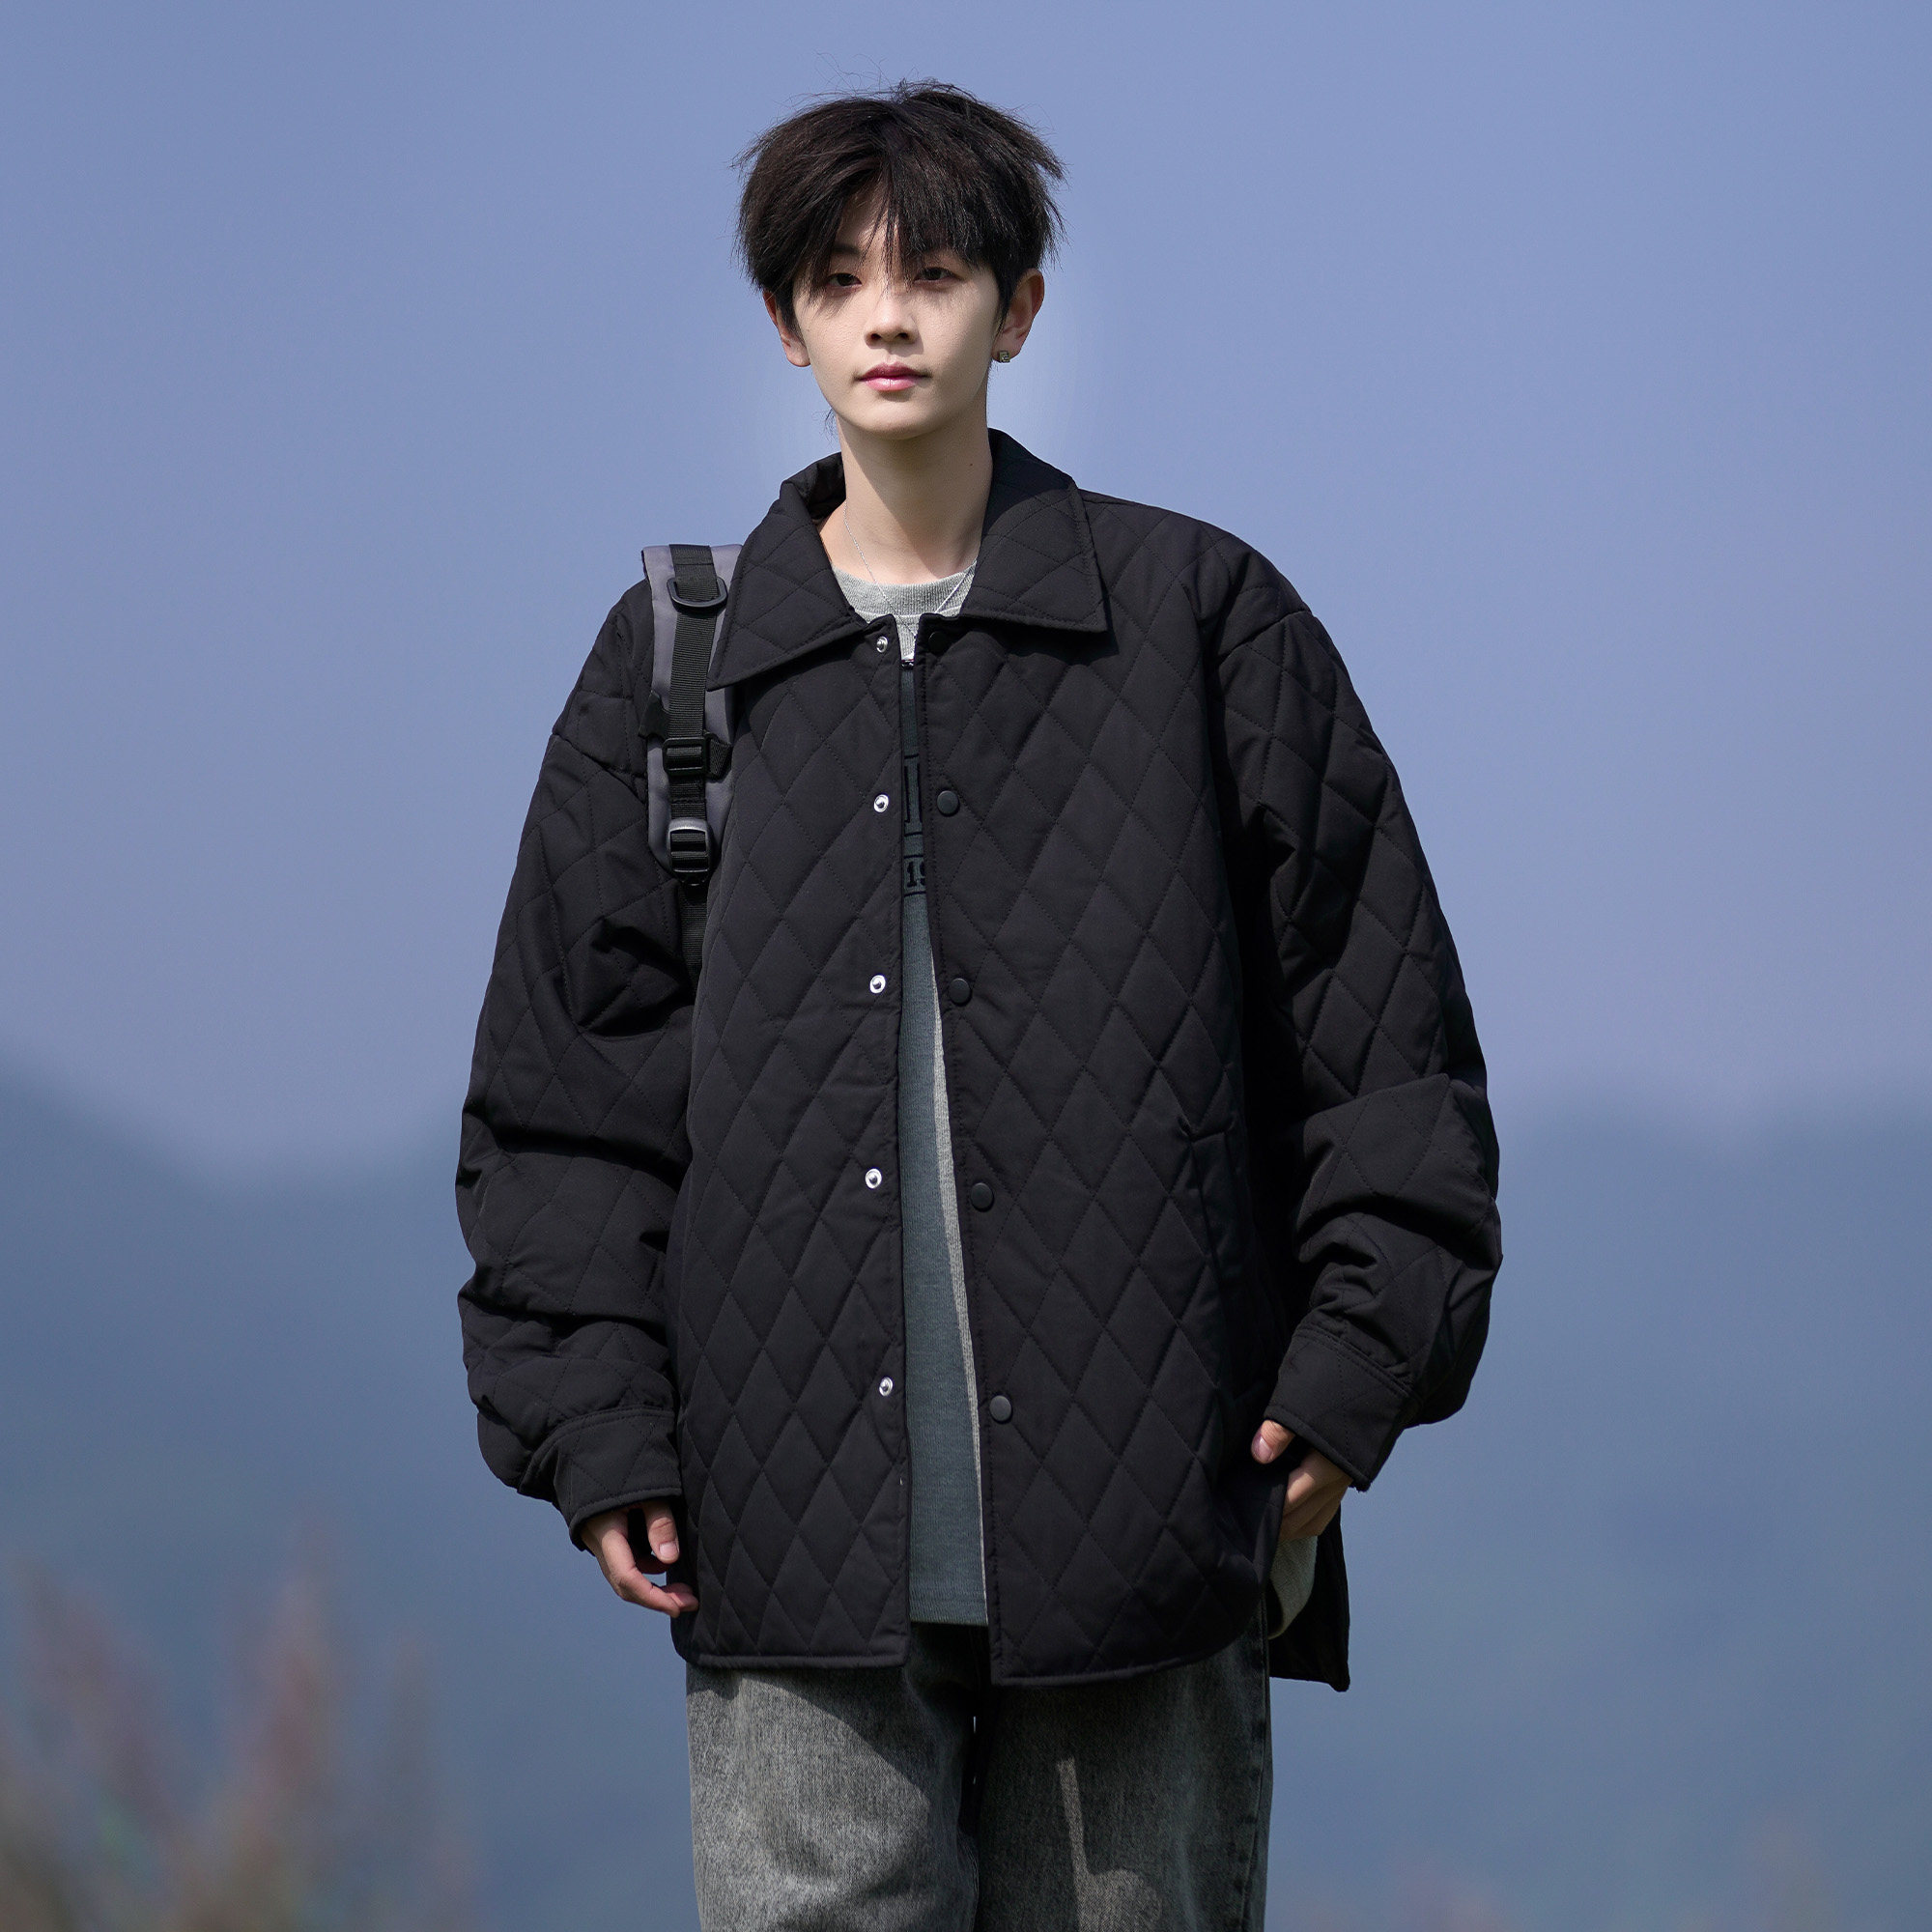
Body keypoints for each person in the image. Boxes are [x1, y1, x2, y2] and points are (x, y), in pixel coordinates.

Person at [455, 80, 1501, 1931]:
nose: (889, 317)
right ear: (784, 323)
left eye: (935, 274)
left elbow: (1388, 1052)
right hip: (786, 1557)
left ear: (1017, 311)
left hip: (1154, 1539)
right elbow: (565, 1103)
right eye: (840, 279)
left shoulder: (1202, 623)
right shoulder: (676, 670)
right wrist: (593, 1431)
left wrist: (1351, 1392)